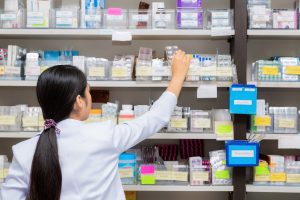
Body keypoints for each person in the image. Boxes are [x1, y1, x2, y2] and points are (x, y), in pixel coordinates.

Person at [0, 50, 191, 200]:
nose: (90, 97)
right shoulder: (104, 135)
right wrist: (177, 77)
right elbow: (155, 118)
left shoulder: (24, 151)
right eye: (89, 92)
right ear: (79, 101)